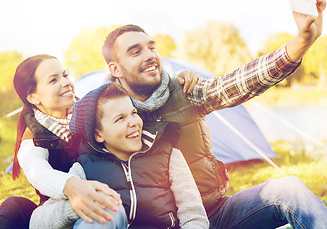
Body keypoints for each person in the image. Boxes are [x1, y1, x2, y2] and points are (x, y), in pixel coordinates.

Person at [99, 0, 327, 228]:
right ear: (115, 69)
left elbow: (239, 83)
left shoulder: (185, 91)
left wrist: (301, 42)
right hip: (163, 224)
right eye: (135, 52)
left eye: (151, 47)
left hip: (216, 214)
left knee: (289, 189)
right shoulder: (102, 114)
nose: (149, 55)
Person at [0, 54, 201, 228]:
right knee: (13, 206)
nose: (65, 83)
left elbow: (121, 95)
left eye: (64, 75)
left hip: (108, 203)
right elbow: (39, 174)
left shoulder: (88, 112)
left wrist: (176, 82)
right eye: (53, 80)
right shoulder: (33, 137)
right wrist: (73, 188)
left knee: (107, 212)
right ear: (33, 97)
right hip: (62, 211)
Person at [29, 82, 209, 229]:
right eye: (120, 118)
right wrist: (76, 207)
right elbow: (37, 222)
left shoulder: (169, 156)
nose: (133, 123)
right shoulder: (83, 169)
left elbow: (194, 215)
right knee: (104, 212)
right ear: (98, 134)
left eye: (133, 113)